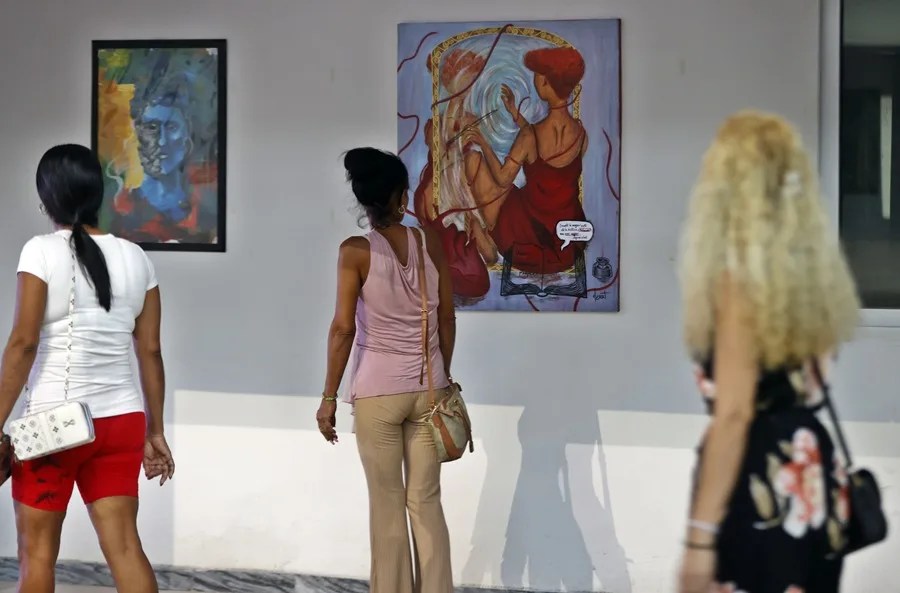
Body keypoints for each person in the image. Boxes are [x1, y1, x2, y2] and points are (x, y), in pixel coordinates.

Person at [677, 112, 860, 593]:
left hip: (762, 475)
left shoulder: (738, 282)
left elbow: (735, 415)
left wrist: (699, 541)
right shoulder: (814, 275)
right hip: (813, 472)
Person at [0, 144, 175, 593]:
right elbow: (150, 352)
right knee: (125, 548)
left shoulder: (40, 252)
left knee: (37, 555)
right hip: (120, 422)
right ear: (98, 193)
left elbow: (22, 344)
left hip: (52, 429)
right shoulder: (138, 258)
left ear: (46, 199)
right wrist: (155, 432)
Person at [316, 148, 456, 593]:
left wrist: (328, 398)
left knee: (387, 503)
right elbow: (448, 317)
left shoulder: (355, 251)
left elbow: (342, 329)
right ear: (399, 196)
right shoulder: (429, 241)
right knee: (426, 501)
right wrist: (439, 376)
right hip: (429, 389)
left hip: (377, 395)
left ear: (364, 200)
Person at [464, 46, 590, 275]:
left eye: (538, 74)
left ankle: (486, 237)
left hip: (524, 240)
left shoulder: (530, 136)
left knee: (474, 160)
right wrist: (516, 116)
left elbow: (502, 179)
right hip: (565, 247)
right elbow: (549, 162)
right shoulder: (581, 136)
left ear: (544, 82)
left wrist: (483, 143)